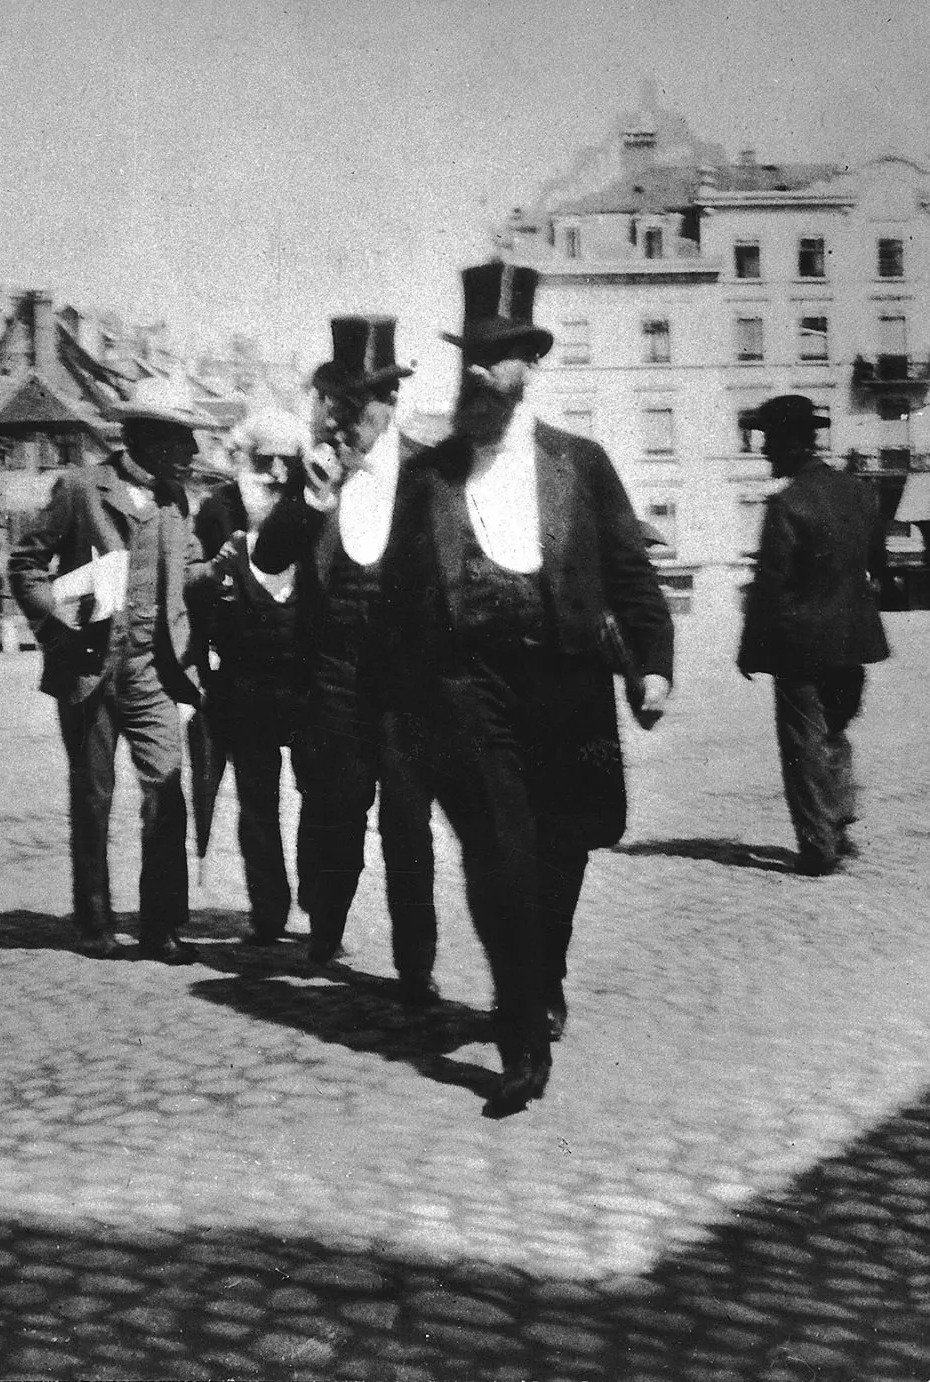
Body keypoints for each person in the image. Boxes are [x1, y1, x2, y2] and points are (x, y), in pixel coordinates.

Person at [381, 260, 674, 1116]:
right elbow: (399, 609)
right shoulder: (427, 477)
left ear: (528, 365)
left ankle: (544, 974)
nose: (480, 370)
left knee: (562, 853)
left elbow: (630, 573)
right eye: (471, 354)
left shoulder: (580, 464)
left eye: (499, 355)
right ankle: (519, 1038)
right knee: (501, 856)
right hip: (472, 691)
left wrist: (652, 664)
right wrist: (397, 718)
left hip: (568, 684)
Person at [252, 316, 439, 1005]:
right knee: (333, 812)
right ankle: (325, 925)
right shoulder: (313, 473)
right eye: (337, 402)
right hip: (331, 678)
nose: (345, 418)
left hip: (406, 682)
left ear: (389, 405)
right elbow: (269, 558)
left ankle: (415, 962)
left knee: (408, 823)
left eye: (360, 404)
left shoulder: (428, 472)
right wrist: (309, 498)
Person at [9, 375, 206, 962]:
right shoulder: (81, 488)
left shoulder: (175, 500)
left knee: (167, 792)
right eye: (181, 438)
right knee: (93, 798)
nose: (191, 452)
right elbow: (24, 564)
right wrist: (56, 628)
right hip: (90, 668)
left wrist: (222, 572)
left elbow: (189, 570)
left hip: (151, 673)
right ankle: (93, 920)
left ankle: (160, 926)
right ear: (145, 437)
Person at [737, 393, 889, 876]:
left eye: (768, 441)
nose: (763, 452)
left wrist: (750, 648)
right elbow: (877, 567)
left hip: (801, 647)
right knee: (836, 735)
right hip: (854, 641)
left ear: (789, 442)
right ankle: (840, 828)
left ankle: (819, 847)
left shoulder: (787, 503)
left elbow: (770, 586)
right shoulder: (861, 494)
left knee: (803, 744)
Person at [193, 407, 313, 944]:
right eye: (266, 461)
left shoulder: (310, 507)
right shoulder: (216, 511)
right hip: (241, 680)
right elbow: (194, 591)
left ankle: (319, 897)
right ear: (246, 459)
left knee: (320, 791)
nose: (277, 474)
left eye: (287, 462)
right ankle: (268, 908)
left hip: (307, 680)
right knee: (257, 800)